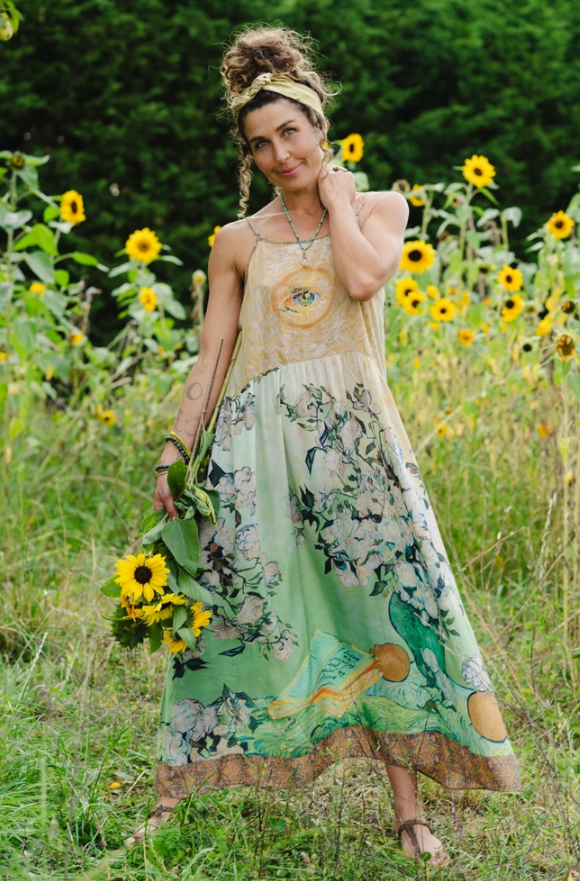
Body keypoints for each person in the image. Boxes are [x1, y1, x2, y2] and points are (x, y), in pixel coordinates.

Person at [125, 26, 521, 865]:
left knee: (381, 604)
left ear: (318, 126)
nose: (279, 155)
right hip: (254, 450)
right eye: (259, 145)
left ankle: (409, 812)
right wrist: (175, 449)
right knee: (226, 608)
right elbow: (214, 354)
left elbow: (364, 277)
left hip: (356, 448)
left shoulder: (379, 210)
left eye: (290, 133)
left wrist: (338, 204)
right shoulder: (236, 242)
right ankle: (172, 793)